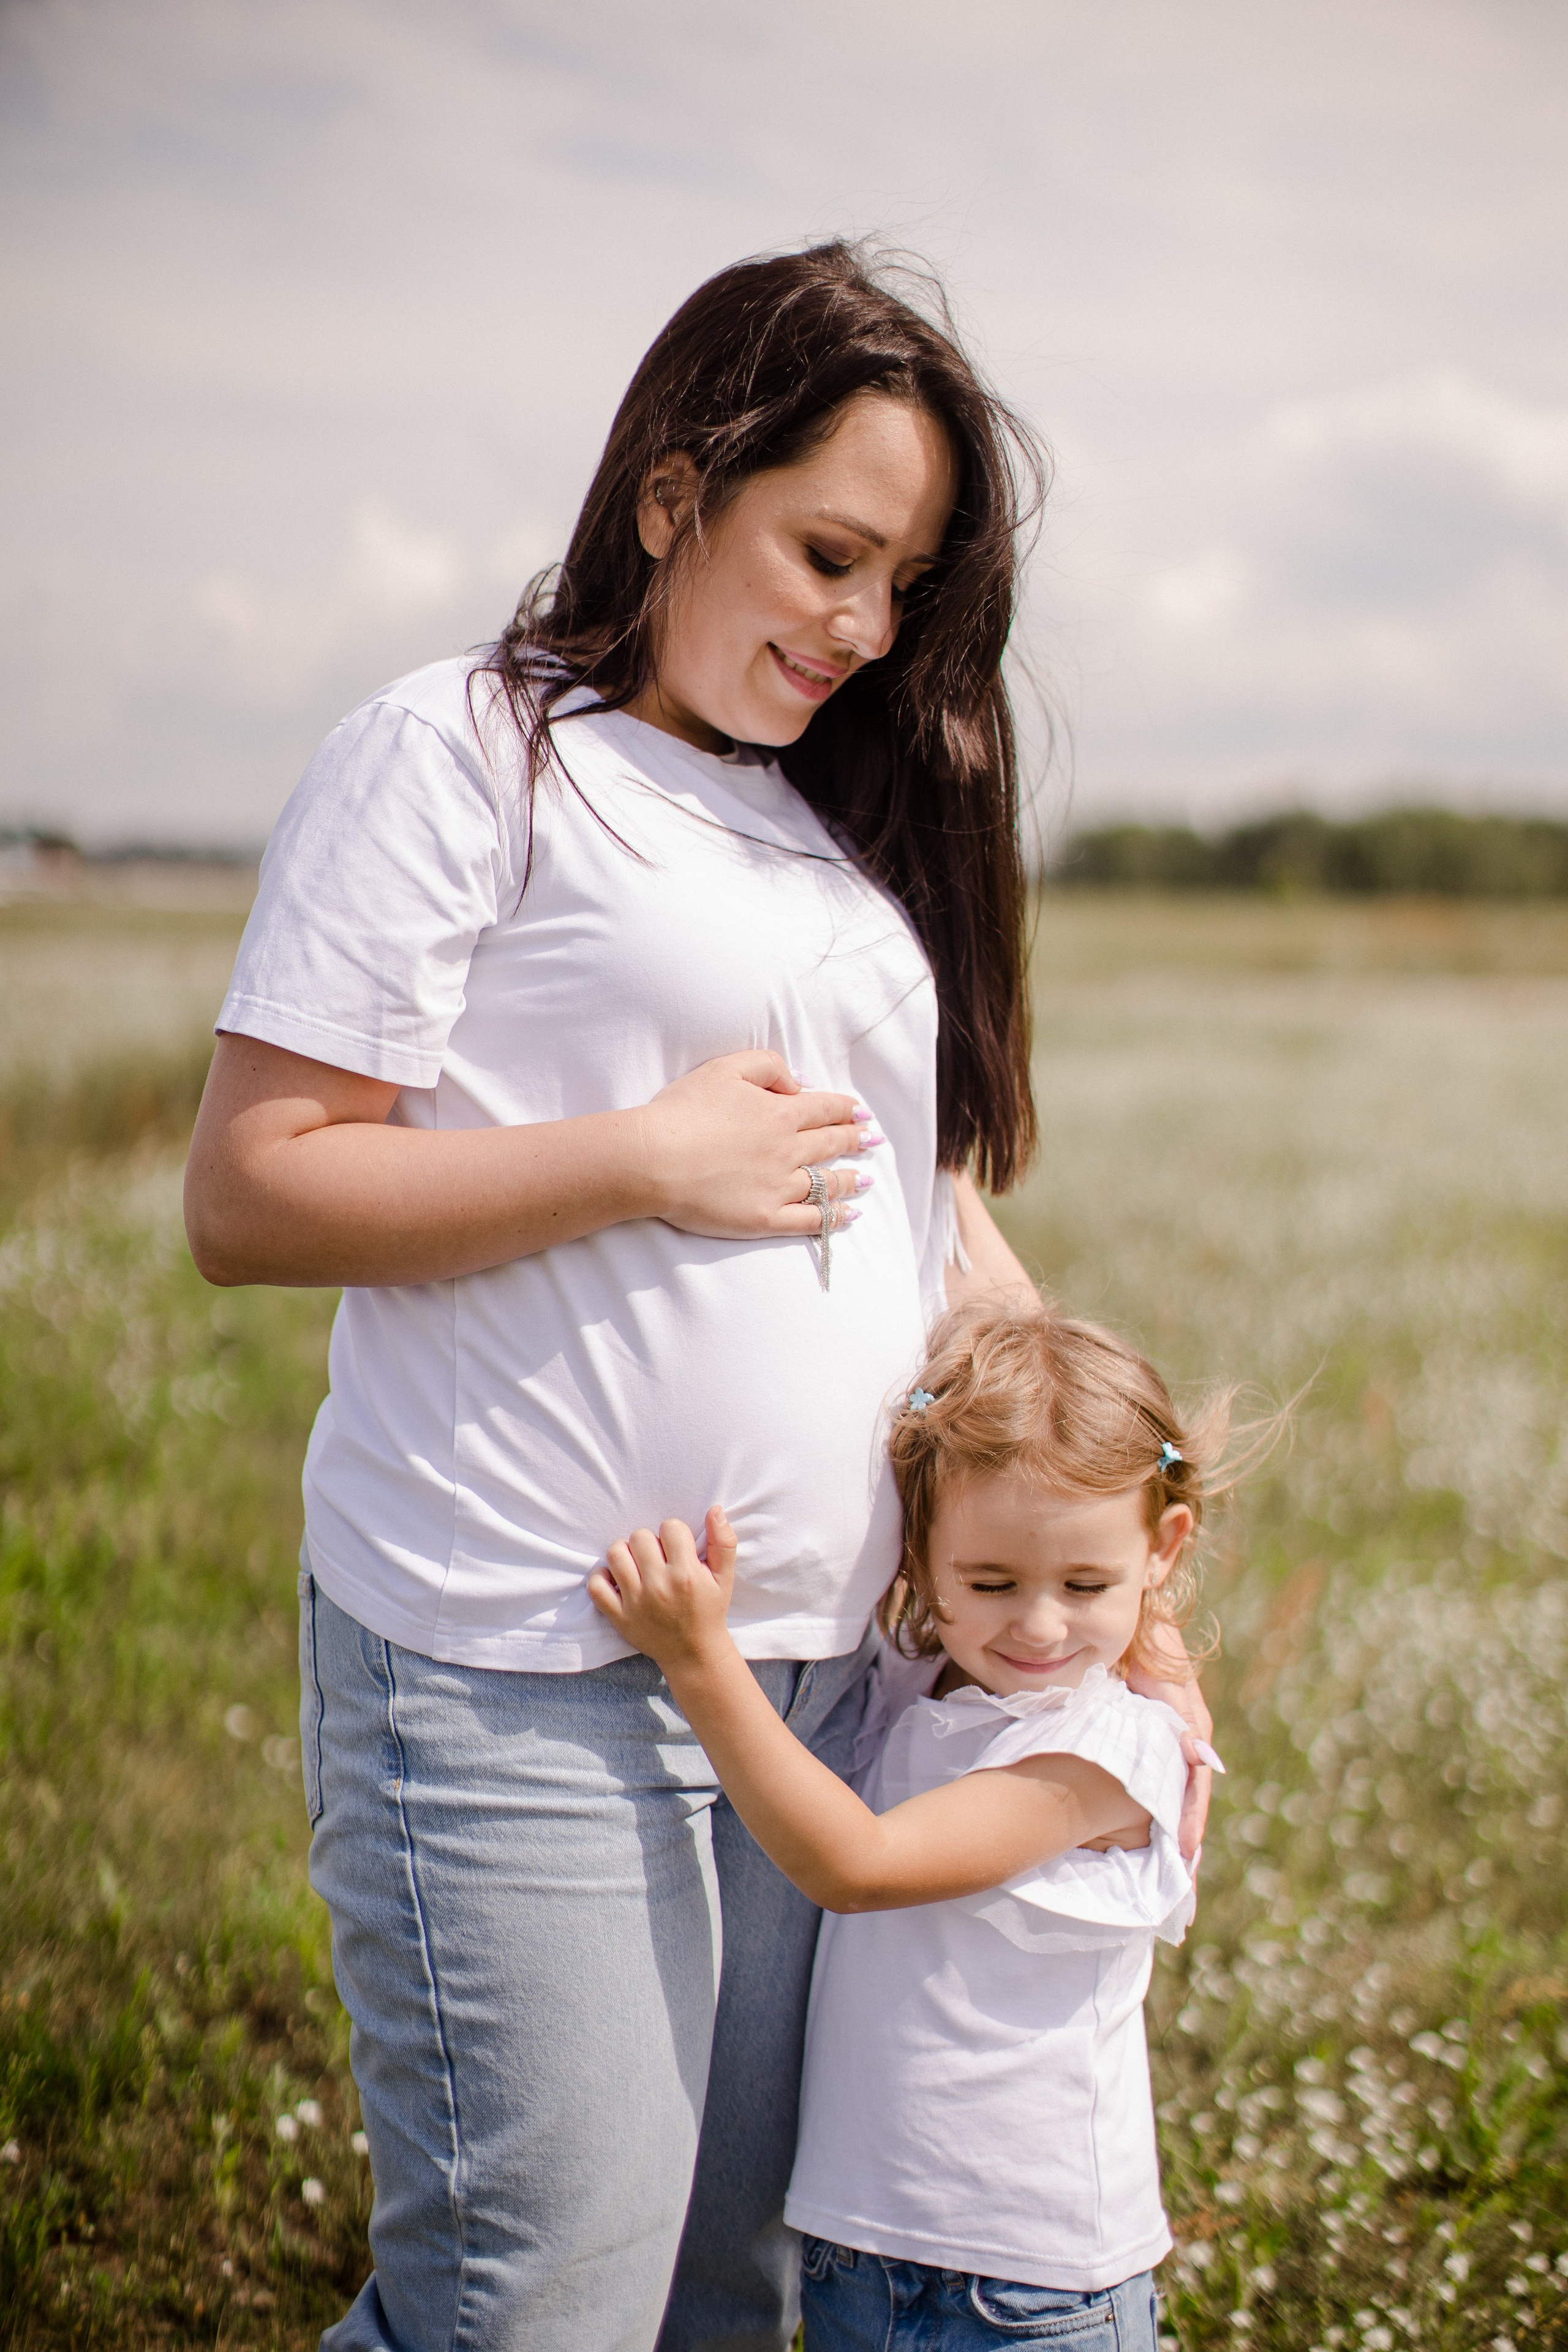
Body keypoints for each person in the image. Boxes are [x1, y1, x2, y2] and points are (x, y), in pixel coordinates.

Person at [184, 240, 1212, 2352]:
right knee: (534, 2303)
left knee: (729, 2292)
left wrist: (1147, 1610)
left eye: (900, 586)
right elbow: (248, 1191)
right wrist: (640, 1159)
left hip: (820, 1682)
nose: (857, 625)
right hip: (517, 1656)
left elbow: (928, 1232)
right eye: (827, 551)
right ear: (675, 491)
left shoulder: (823, 846)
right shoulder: (470, 748)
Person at [590, 1303, 1235, 2352]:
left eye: (1086, 1585)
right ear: (918, 1554)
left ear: (1162, 1551)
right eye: (991, 1584)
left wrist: (699, 1662)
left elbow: (860, 1864)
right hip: (862, 2261)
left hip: (1031, 2293)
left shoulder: (1110, 1755)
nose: (1036, 1625)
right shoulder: (928, 1696)